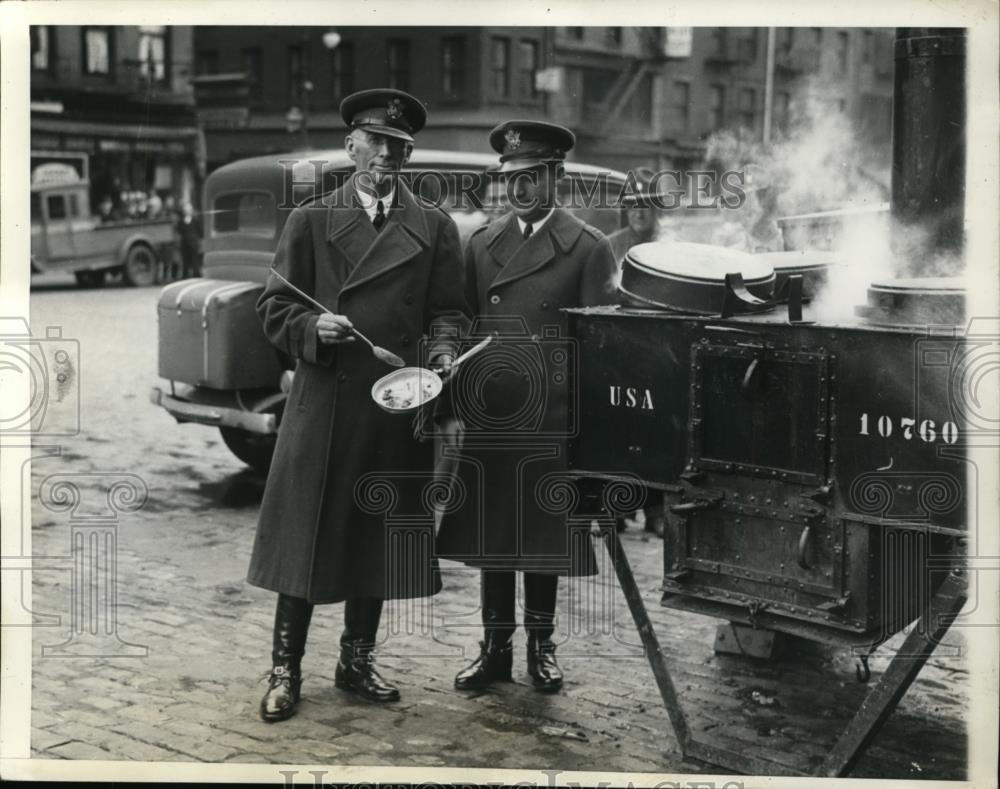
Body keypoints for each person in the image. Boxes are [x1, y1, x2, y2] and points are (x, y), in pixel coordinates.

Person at [249, 88, 470, 722]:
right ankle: (285, 669)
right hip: (325, 405)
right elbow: (274, 306)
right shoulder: (311, 220)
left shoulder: (433, 226)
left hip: (392, 405)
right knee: (305, 540)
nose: (386, 155)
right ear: (351, 147)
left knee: (374, 540)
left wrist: (445, 351)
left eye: (398, 146)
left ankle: (355, 661)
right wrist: (310, 332)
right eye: (375, 142)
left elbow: (448, 311)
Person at [436, 120, 618, 693]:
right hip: (494, 414)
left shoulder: (588, 247)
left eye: (532, 177)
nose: (519, 188)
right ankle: (494, 651)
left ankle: (542, 648)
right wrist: (449, 361)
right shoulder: (483, 244)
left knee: (542, 542)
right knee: (495, 541)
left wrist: (587, 432)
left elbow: (601, 348)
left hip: (551, 420)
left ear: (556, 178)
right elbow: (461, 320)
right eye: (511, 178)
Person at [607, 165, 664, 267]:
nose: (639, 214)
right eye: (633, 206)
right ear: (627, 210)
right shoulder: (611, 246)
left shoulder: (668, 244)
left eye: (645, 206)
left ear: (657, 209)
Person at [176, 200, 202, 279]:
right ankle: (185, 275)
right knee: (185, 260)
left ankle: (196, 274)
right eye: (186, 210)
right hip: (184, 243)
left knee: (195, 259)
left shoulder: (195, 220)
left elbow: (200, 230)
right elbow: (179, 230)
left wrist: (197, 239)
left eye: (189, 210)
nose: (187, 211)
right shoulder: (181, 221)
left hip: (194, 243)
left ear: (191, 211)